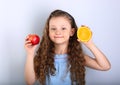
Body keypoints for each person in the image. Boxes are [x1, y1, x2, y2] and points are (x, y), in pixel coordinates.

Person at [24, 9, 111, 85]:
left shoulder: (78, 57)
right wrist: (30, 54)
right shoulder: (42, 57)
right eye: (53, 29)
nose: (58, 32)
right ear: (48, 32)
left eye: (63, 28)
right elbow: (29, 82)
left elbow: (105, 66)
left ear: (72, 32)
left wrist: (90, 44)